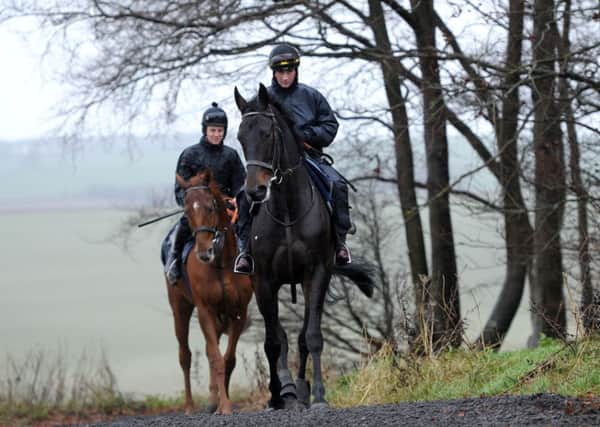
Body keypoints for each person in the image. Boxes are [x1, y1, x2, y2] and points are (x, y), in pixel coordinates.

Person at [233, 43, 352, 273]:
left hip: (308, 158)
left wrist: (307, 135)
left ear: (296, 71)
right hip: (272, 164)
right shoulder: (261, 100)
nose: (285, 76)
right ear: (274, 73)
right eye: (280, 72)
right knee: (244, 195)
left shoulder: (311, 96)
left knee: (338, 185)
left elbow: (330, 126)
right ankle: (245, 251)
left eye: (289, 71)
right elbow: (253, 132)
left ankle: (340, 244)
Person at [165, 102, 246, 285]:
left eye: (220, 131)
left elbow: (241, 184)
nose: (217, 135)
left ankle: (246, 261)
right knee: (185, 225)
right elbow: (180, 189)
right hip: (199, 209)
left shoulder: (231, 155)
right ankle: (175, 261)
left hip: (226, 210)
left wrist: (236, 200)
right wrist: (189, 205)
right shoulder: (189, 154)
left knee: (245, 229)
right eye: (213, 130)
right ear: (205, 130)